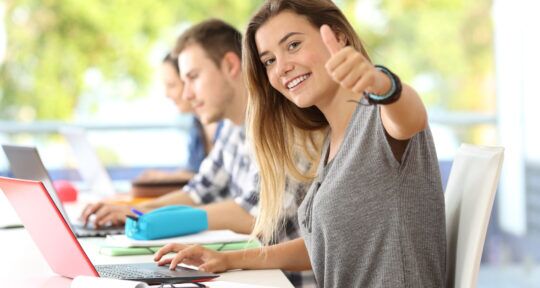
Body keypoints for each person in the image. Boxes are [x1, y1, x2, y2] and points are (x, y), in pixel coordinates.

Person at [153, 1, 446, 287]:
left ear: (338, 35)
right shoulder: (330, 140)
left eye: (293, 45)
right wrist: (228, 259)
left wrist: (381, 83)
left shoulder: (378, 117)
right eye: (269, 61)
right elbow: (320, 247)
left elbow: (412, 116)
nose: (282, 67)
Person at [81, 19, 316, 287]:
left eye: (193, 77)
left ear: (230, 65)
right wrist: (138, 211)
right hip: (256, 275)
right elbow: (199, 189)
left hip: (286, 281)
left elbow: (255, 216)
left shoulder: (283, 126)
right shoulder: (230, 127)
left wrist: (155, 218)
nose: (187, 94)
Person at [134, 53, 222, 184]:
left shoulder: (230, 123)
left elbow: (221, 180)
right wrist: (165, 177)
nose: (166, 94)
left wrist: (166, 178)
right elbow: (196, 173)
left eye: (171, 85)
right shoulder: (197, 124)